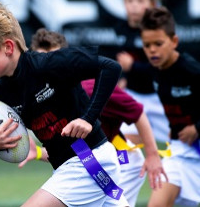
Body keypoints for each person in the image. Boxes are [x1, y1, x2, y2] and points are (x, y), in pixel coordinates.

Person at [0, 2, 129, 206]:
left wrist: (88, 119)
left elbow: (110, 67)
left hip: (89, 160)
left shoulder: (47, 65)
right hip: (67, 167)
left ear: (8, 47)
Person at [22, 28, 167, 206]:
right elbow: (75, 152)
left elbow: (137, 112)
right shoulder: (42, 99)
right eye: (41, 59)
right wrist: (37, 152)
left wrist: (152, 155)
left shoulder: (90, 86)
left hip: (123, 161)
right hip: (92, 164)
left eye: (54, 58)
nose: (48, 65)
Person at [130, 7, 200, 207]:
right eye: (147, 45)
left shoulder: (193, 71)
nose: (152, 50)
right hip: (179, 152)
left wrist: (198, 128)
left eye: (158, 44)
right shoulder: (155, 69)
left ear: (174, 42)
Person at [111, 0, 170, 144]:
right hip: (133, 96)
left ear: (152, 4)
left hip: (159, 96)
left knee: (182, 140)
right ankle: (129, 167)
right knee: (119, 139)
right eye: (130, 1)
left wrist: (133, 66)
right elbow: (117, 62)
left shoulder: (158, 31)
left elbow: (162, 66)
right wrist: (121, 79)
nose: (134, 5)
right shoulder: (120, 28)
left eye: (140, 0)